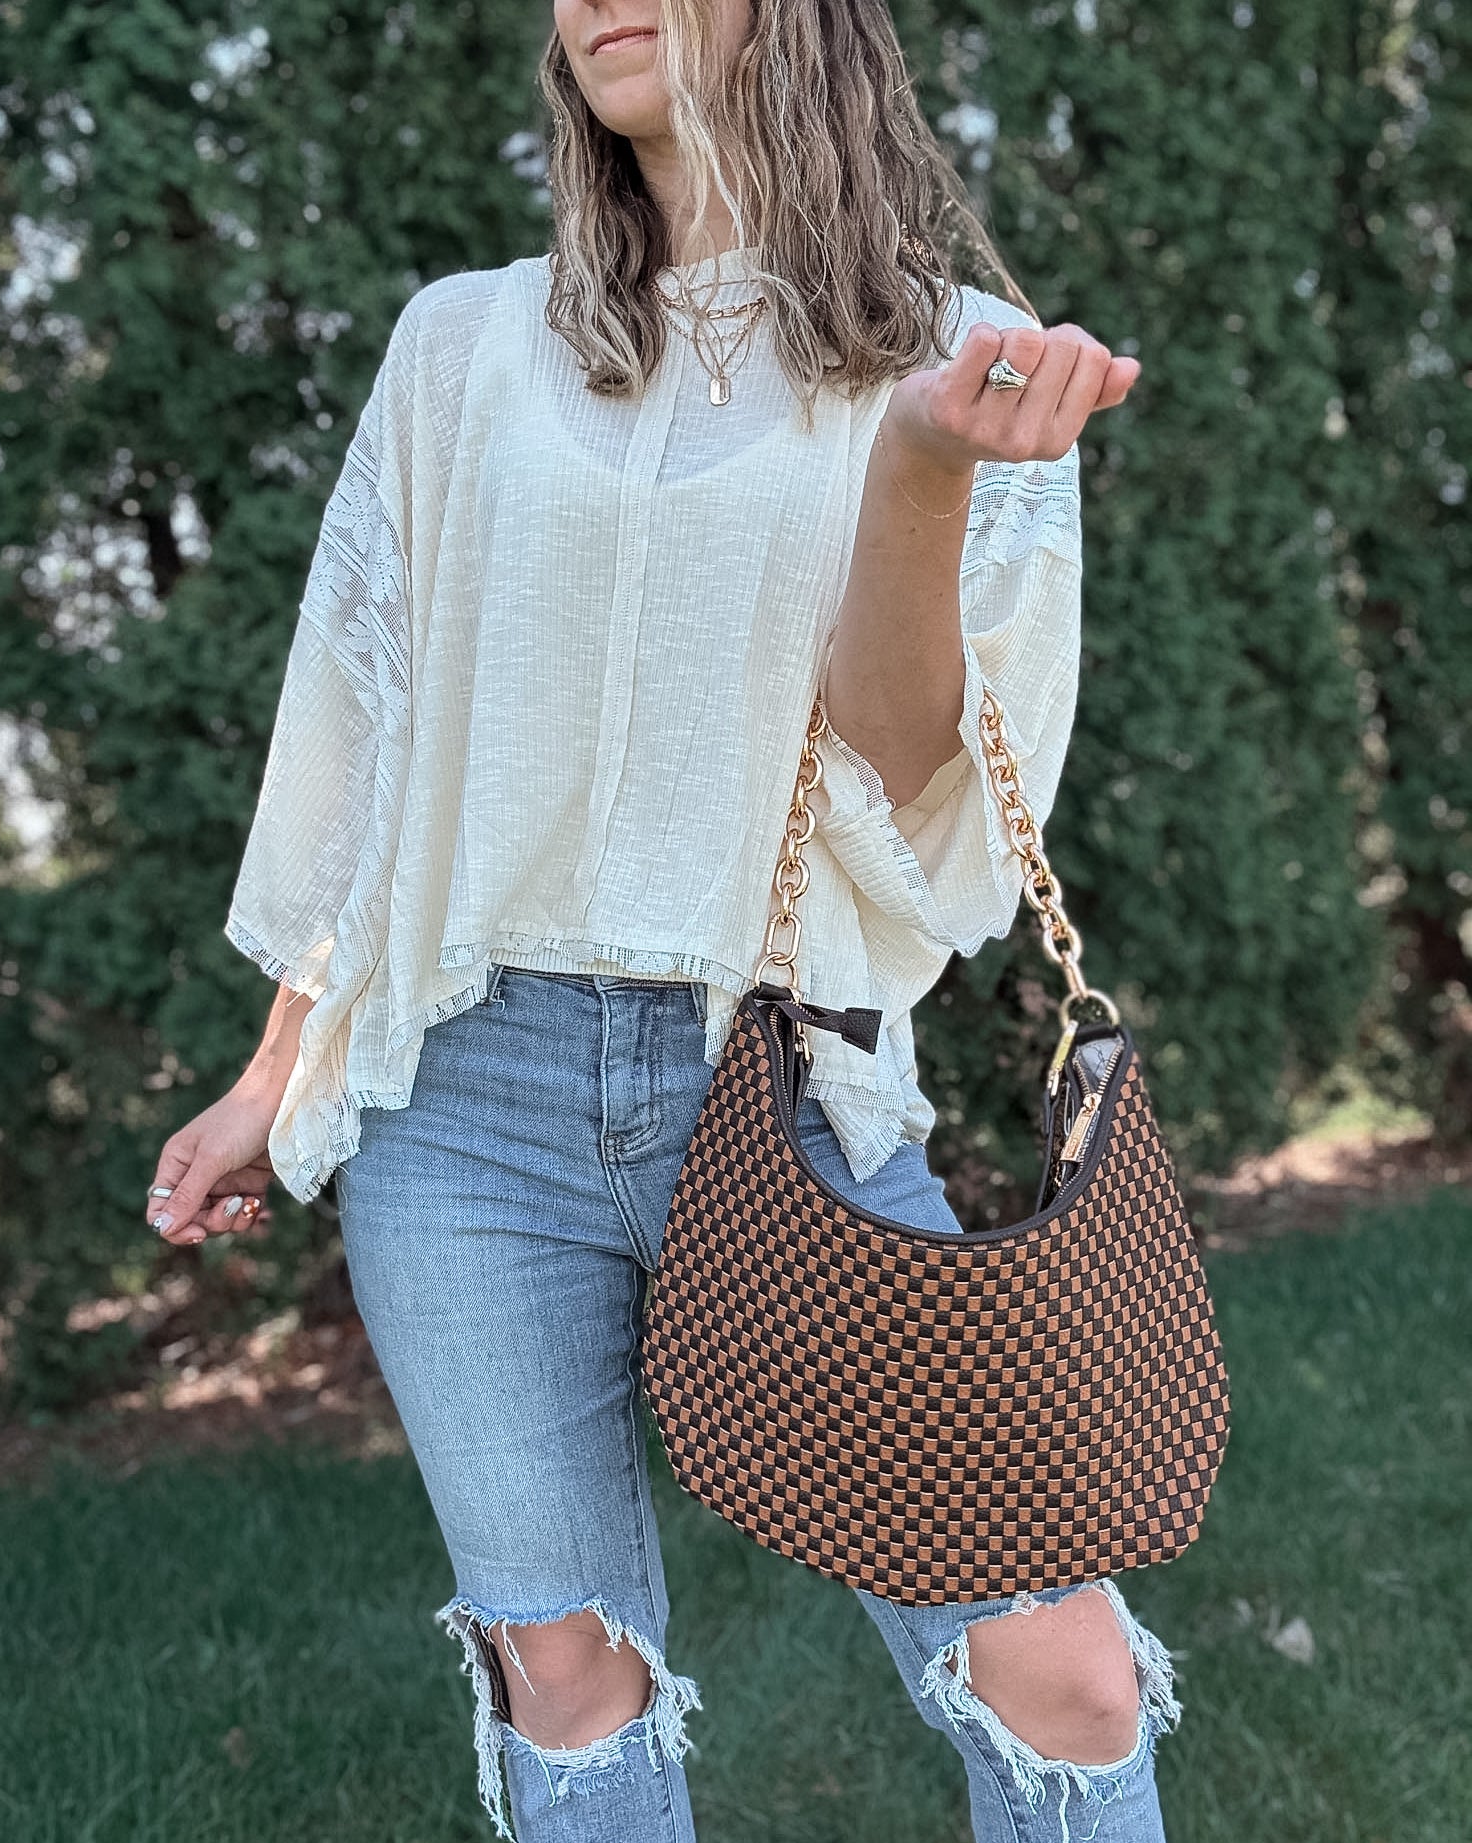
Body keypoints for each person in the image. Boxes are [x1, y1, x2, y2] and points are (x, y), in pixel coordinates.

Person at [145, 3, 1181, 1839]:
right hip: (462, 1104)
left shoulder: (960, 361)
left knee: (1064, 1672)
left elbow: (911, 762)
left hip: (783, 1092)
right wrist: (277, 1069)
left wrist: (930, 468)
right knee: (565, 1668)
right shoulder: (462, 347)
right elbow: (380, 745)